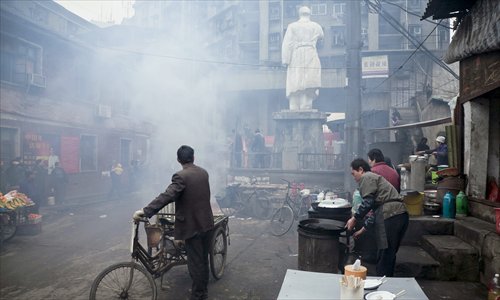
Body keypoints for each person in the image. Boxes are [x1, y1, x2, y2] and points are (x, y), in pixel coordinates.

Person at [133, 145, 214, 300]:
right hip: (207, 223)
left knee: (195, 265)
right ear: (194, 157)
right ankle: (203, 293)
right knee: (203, 261)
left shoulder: (181, 176)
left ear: (178, 160)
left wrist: (146, 210)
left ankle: (198, 296)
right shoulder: (203, 173)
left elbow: (167, 196)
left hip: (193, 226)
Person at [346, 158, 409, 277]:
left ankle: (382, 287)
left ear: (360, 169)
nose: (354, 178)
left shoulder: (367, 176)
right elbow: (375, 213)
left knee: (384, 255)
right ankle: (387, 283)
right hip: (400, 215)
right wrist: (362, 230)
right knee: (388, 254)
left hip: (390, 215)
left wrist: (354, 219)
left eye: (353, 174)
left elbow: (368, 203)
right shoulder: (376, 182)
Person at [282, 6, 324, 110]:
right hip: (311, 53)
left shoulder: (292, 26)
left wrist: (285, 60)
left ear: (299, 14)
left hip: (296, 54)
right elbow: (322, 37)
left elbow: (286, 44)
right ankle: (306, 106)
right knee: (308, 83)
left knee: (295, 83)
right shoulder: (316, 26)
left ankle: (294, 106)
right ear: (309, 14)